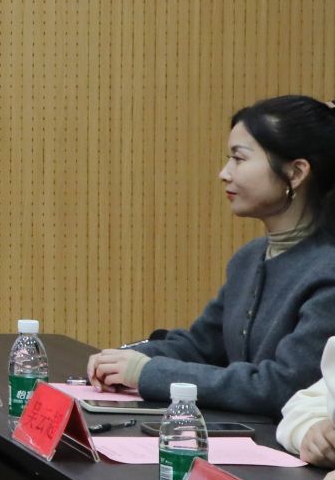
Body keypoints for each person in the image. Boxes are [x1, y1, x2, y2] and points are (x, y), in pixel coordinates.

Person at [88, 96, 335, 415]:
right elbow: (201, 347)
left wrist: (146, 372)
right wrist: (123, 360)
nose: (224, 173)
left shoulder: (327, 270)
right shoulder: (249, 258)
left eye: (239, 159)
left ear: (296, 172)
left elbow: (280, 387)